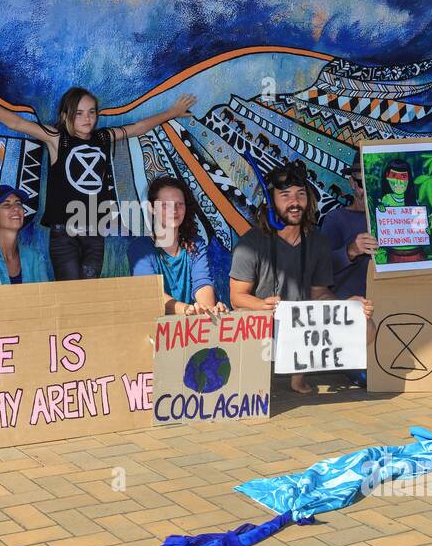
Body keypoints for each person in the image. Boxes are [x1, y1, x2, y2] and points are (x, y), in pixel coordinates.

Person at [0, 82, 196, 280]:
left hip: (94, 230)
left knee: (89, 290)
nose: (87, 118)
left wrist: (171, 113)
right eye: (79, 113)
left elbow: (138, 127)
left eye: (92, 112)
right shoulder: (57, 138)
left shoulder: (103, 137)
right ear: (65, 115)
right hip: (64, 233)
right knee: (70, 289)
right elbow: (17, 123)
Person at [230, 160, 372, 394]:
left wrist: (345, 307)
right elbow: (237, 298)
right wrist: (261, 304)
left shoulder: (318, 242)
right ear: (271, 201)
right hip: (265, 325)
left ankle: (298, 374)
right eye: (285, 195)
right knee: (244, 315)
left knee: (366, 325)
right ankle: (254, 374)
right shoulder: (250, 244)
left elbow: (319, 293)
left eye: (300, 194)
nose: (294, 202)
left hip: (300, 331)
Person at [130, 176, 226, 316]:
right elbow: (150, 294)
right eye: (165, 205)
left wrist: (207, 310)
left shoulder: (196, 244)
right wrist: (187, 310)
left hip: (189, 329)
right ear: (152, 208)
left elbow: (202, 282)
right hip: (154, 329)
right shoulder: (140, 248)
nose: (174, 210)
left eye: (179, 204)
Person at [0, 185, 53, 285]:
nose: (16, 208)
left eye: (18, 203)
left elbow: (46, 296)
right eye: (7, 205)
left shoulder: (35, 257)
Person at [321, 167, 378, 298]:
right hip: (353, 306)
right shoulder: (335, 219)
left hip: (395, 302)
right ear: (352, 183)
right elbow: (322, 269)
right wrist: (351, 251)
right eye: (362, 183)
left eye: (373, 183)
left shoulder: (395, 219)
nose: (369, 189)